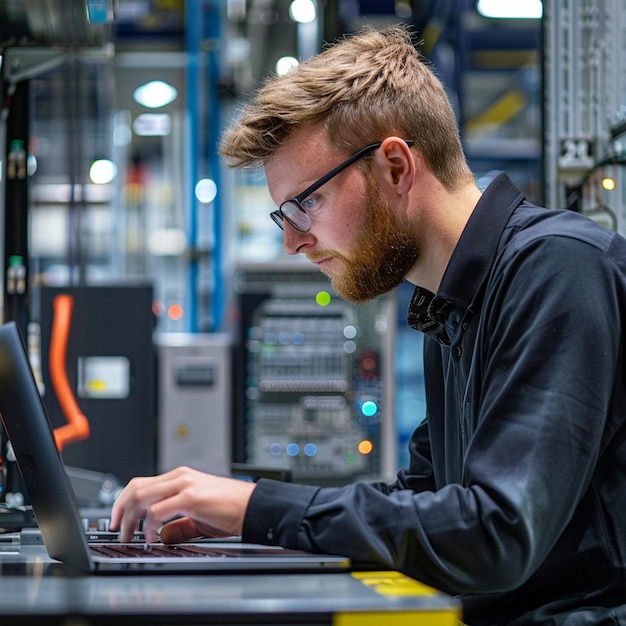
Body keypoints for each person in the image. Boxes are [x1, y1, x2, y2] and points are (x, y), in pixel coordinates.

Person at [110, 25, 626, 625]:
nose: (293, 241)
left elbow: (496, 535)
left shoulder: (558, 269)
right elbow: (427, 503)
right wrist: (240, 512)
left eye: (306, 204)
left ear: (396, 165)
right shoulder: (453, 303)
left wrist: (258, 506)